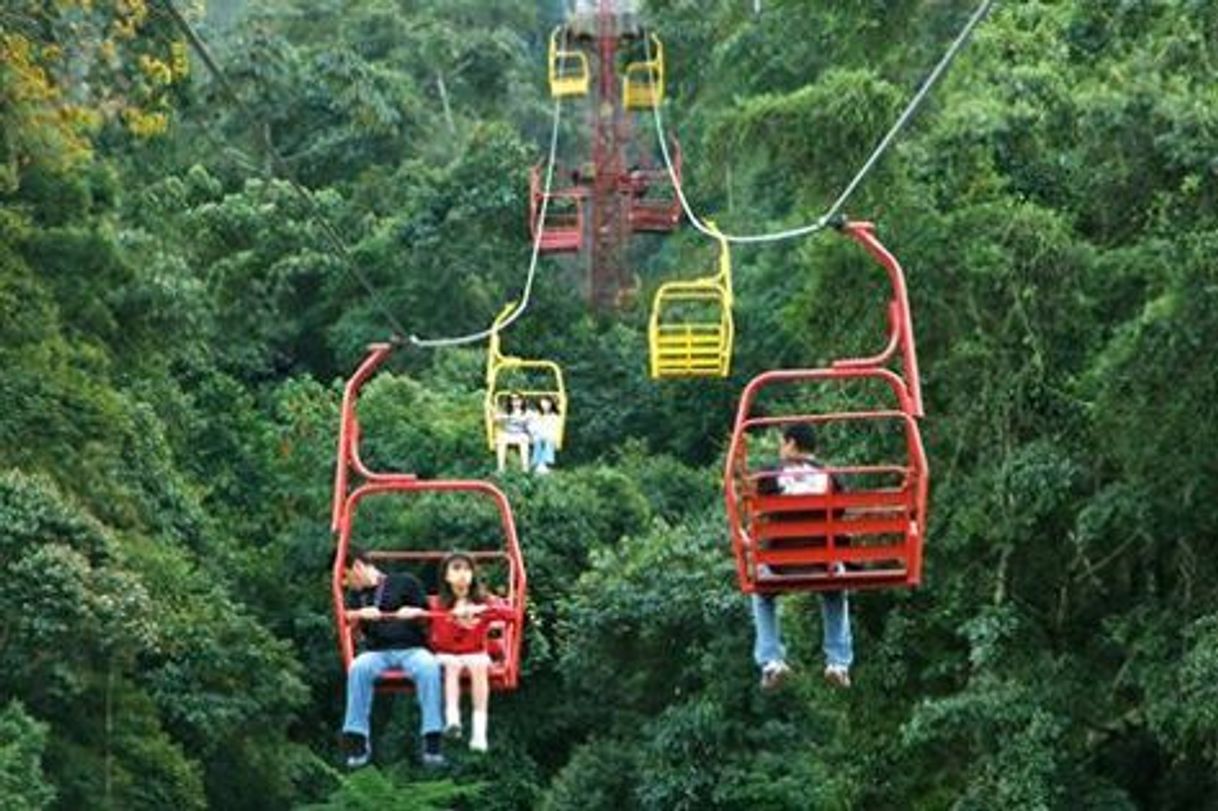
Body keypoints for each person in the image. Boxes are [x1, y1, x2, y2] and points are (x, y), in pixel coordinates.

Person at [751, 424, 853, 691]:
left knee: (761, 595)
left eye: (781, 444)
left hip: (779, 565)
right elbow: (840, 513)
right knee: (835, 590)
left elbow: (756, 505)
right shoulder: (831, 478)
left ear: (791, 443)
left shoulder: (770, 475)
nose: (780, 450)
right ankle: (838, 662)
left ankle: (772, 661)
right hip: (823, 564)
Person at [338, 546, 446, 769]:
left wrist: (415, 612)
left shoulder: (405, 582)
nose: (346, 585)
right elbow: (345, 618)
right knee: (358, 668)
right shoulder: (356, 597)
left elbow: (429, 617)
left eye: (346, 577)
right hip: (378, 653)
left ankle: (432, 736)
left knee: (428, 666)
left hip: (412, 649)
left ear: (357, 566)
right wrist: (360, 614)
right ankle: (357, 738)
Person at [430, 553, 512, 752]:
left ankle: (479, 732)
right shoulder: (438, 603)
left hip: (474, 652)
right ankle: (452, 719)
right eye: (456, 569)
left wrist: (481, 610)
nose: (462, 575)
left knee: (479, 666)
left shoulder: (484, 600)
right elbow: (434, 632)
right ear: (446, 576)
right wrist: (451, 616)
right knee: (451, 665)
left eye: (467, 570)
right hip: (447, 653)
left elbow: (511, 614)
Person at [494, 393, 531, 473]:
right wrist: (503, 417)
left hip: (520, 433)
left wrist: (521, 419)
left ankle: (525, 468)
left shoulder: (526, 412)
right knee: (501, 440)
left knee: (524, 441)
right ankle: (501, 468)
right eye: (513, 400)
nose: (516, 403)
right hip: (508, 433)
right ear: (510, 402)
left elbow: (530, 421)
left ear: (521, 401)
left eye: (518, 400)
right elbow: (496, 418)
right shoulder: (506, 411)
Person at [528, 395, 562, 474]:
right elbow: (532, 426)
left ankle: (543, 463)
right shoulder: (535, 414)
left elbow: (554, 427)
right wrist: (534, 432)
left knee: (548, 441)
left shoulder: (554, 416)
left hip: (549, 435)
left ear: (551, 404)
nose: (545, 405)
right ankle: (539, 464)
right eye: (543, 403)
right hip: (537, 434)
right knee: (538, 440)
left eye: (547, 403)